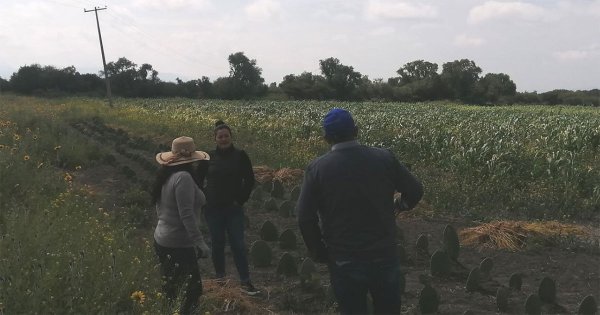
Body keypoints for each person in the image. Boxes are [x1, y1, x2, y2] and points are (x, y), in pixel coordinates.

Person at [297, 108, 424, 315]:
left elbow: (304, 217)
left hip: (343, 257)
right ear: (356, 130)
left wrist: (319, 251)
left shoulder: (318, 168)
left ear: (326, 137)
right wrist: (400, 205)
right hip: (384, 253)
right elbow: (415, 190)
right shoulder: (384, 158)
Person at [196, 120, 260, 296]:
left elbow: (249, 180)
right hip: (213, 209)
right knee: (217, 244)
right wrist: (204, 199)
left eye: (226, 136)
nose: (223, 139)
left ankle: (245, 282)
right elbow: (197, 180)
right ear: (215, 138)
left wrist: (240, 200)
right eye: (220, 136)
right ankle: (220, 280)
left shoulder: (241, 156)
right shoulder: (207, 158)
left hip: (233, 210)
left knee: (238, 245)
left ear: (231, 137)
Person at [152, 136, 211, 314]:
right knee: (190, 292)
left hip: (162, 238)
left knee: (172, 289)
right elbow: (186, 214)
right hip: (178, 243)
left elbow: (159, 206)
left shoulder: (166, 176)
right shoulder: (183, 177)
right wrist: (199, 242)